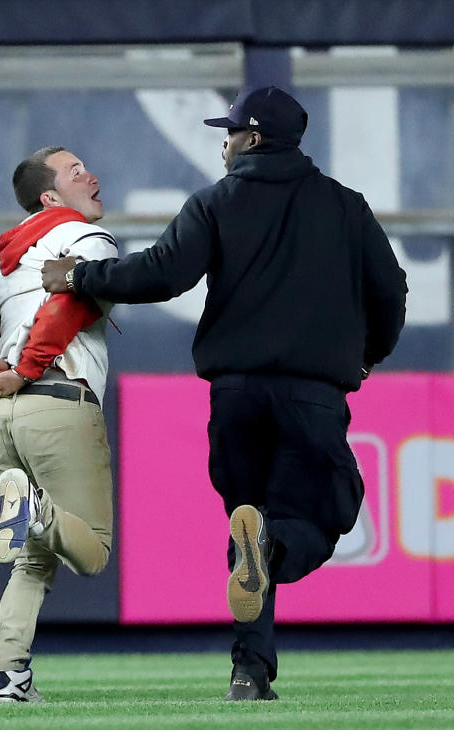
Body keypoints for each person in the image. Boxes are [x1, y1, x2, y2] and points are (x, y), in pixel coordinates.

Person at [42, 86, 408, 701]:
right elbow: (390, 290)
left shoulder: (216, 202)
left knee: (249, 522)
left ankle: (250, 671)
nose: (225, 140)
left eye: (232, 130)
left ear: (255, 139)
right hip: (312, 394)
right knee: (330, 509)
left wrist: (81, 275)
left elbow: (160, 273)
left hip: (235, 395)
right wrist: (368, 354)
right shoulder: (346, 207)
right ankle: (272, 551)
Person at [0, 147, 117, 702]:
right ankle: (36, 508)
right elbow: (66, 307)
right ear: (50, 198)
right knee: (92, 551)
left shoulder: (7, 260)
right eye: (76, 172)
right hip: (55, 399)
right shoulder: (83, 239)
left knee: (32, 557)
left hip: (0, 417)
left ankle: (8, 676)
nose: (92, 176)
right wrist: (23, 369)